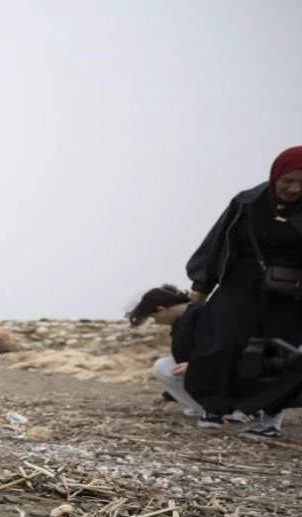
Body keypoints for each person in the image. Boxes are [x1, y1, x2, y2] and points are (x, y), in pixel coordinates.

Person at [183, 147, 302, 441]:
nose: (294, 188)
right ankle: (215, 406)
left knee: (276, 351)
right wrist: (201, 285)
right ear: (275, 175)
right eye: (288, 180)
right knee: (222, 341)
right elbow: (218, 242)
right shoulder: (247, 201)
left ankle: (269, 419)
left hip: (290, 292)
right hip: (240, 283)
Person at [125, 284, 216, 422]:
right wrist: (169, 394)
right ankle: (203, 407)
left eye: (154, 317)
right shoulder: (182, 320)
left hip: (220, 372)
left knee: (162, 366)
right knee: (164, 365)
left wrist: (196, 365)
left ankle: (215, 410)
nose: (157, 322)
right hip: (205, 370)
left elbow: (217, 348)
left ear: (161, 309)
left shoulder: (201, 314)